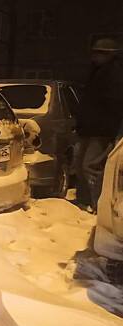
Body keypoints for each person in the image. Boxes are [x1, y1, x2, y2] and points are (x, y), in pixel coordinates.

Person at [75, 38, 123, 211]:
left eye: (99, 53)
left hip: (100, 131)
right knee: (81, 165)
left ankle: (97, 204)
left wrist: (108, 127)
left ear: (109, 55)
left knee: (91, 167)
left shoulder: (113, 74)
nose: (94, 57)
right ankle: (82, 202)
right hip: (89, 128)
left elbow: (113, 104)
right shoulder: (98, 72)